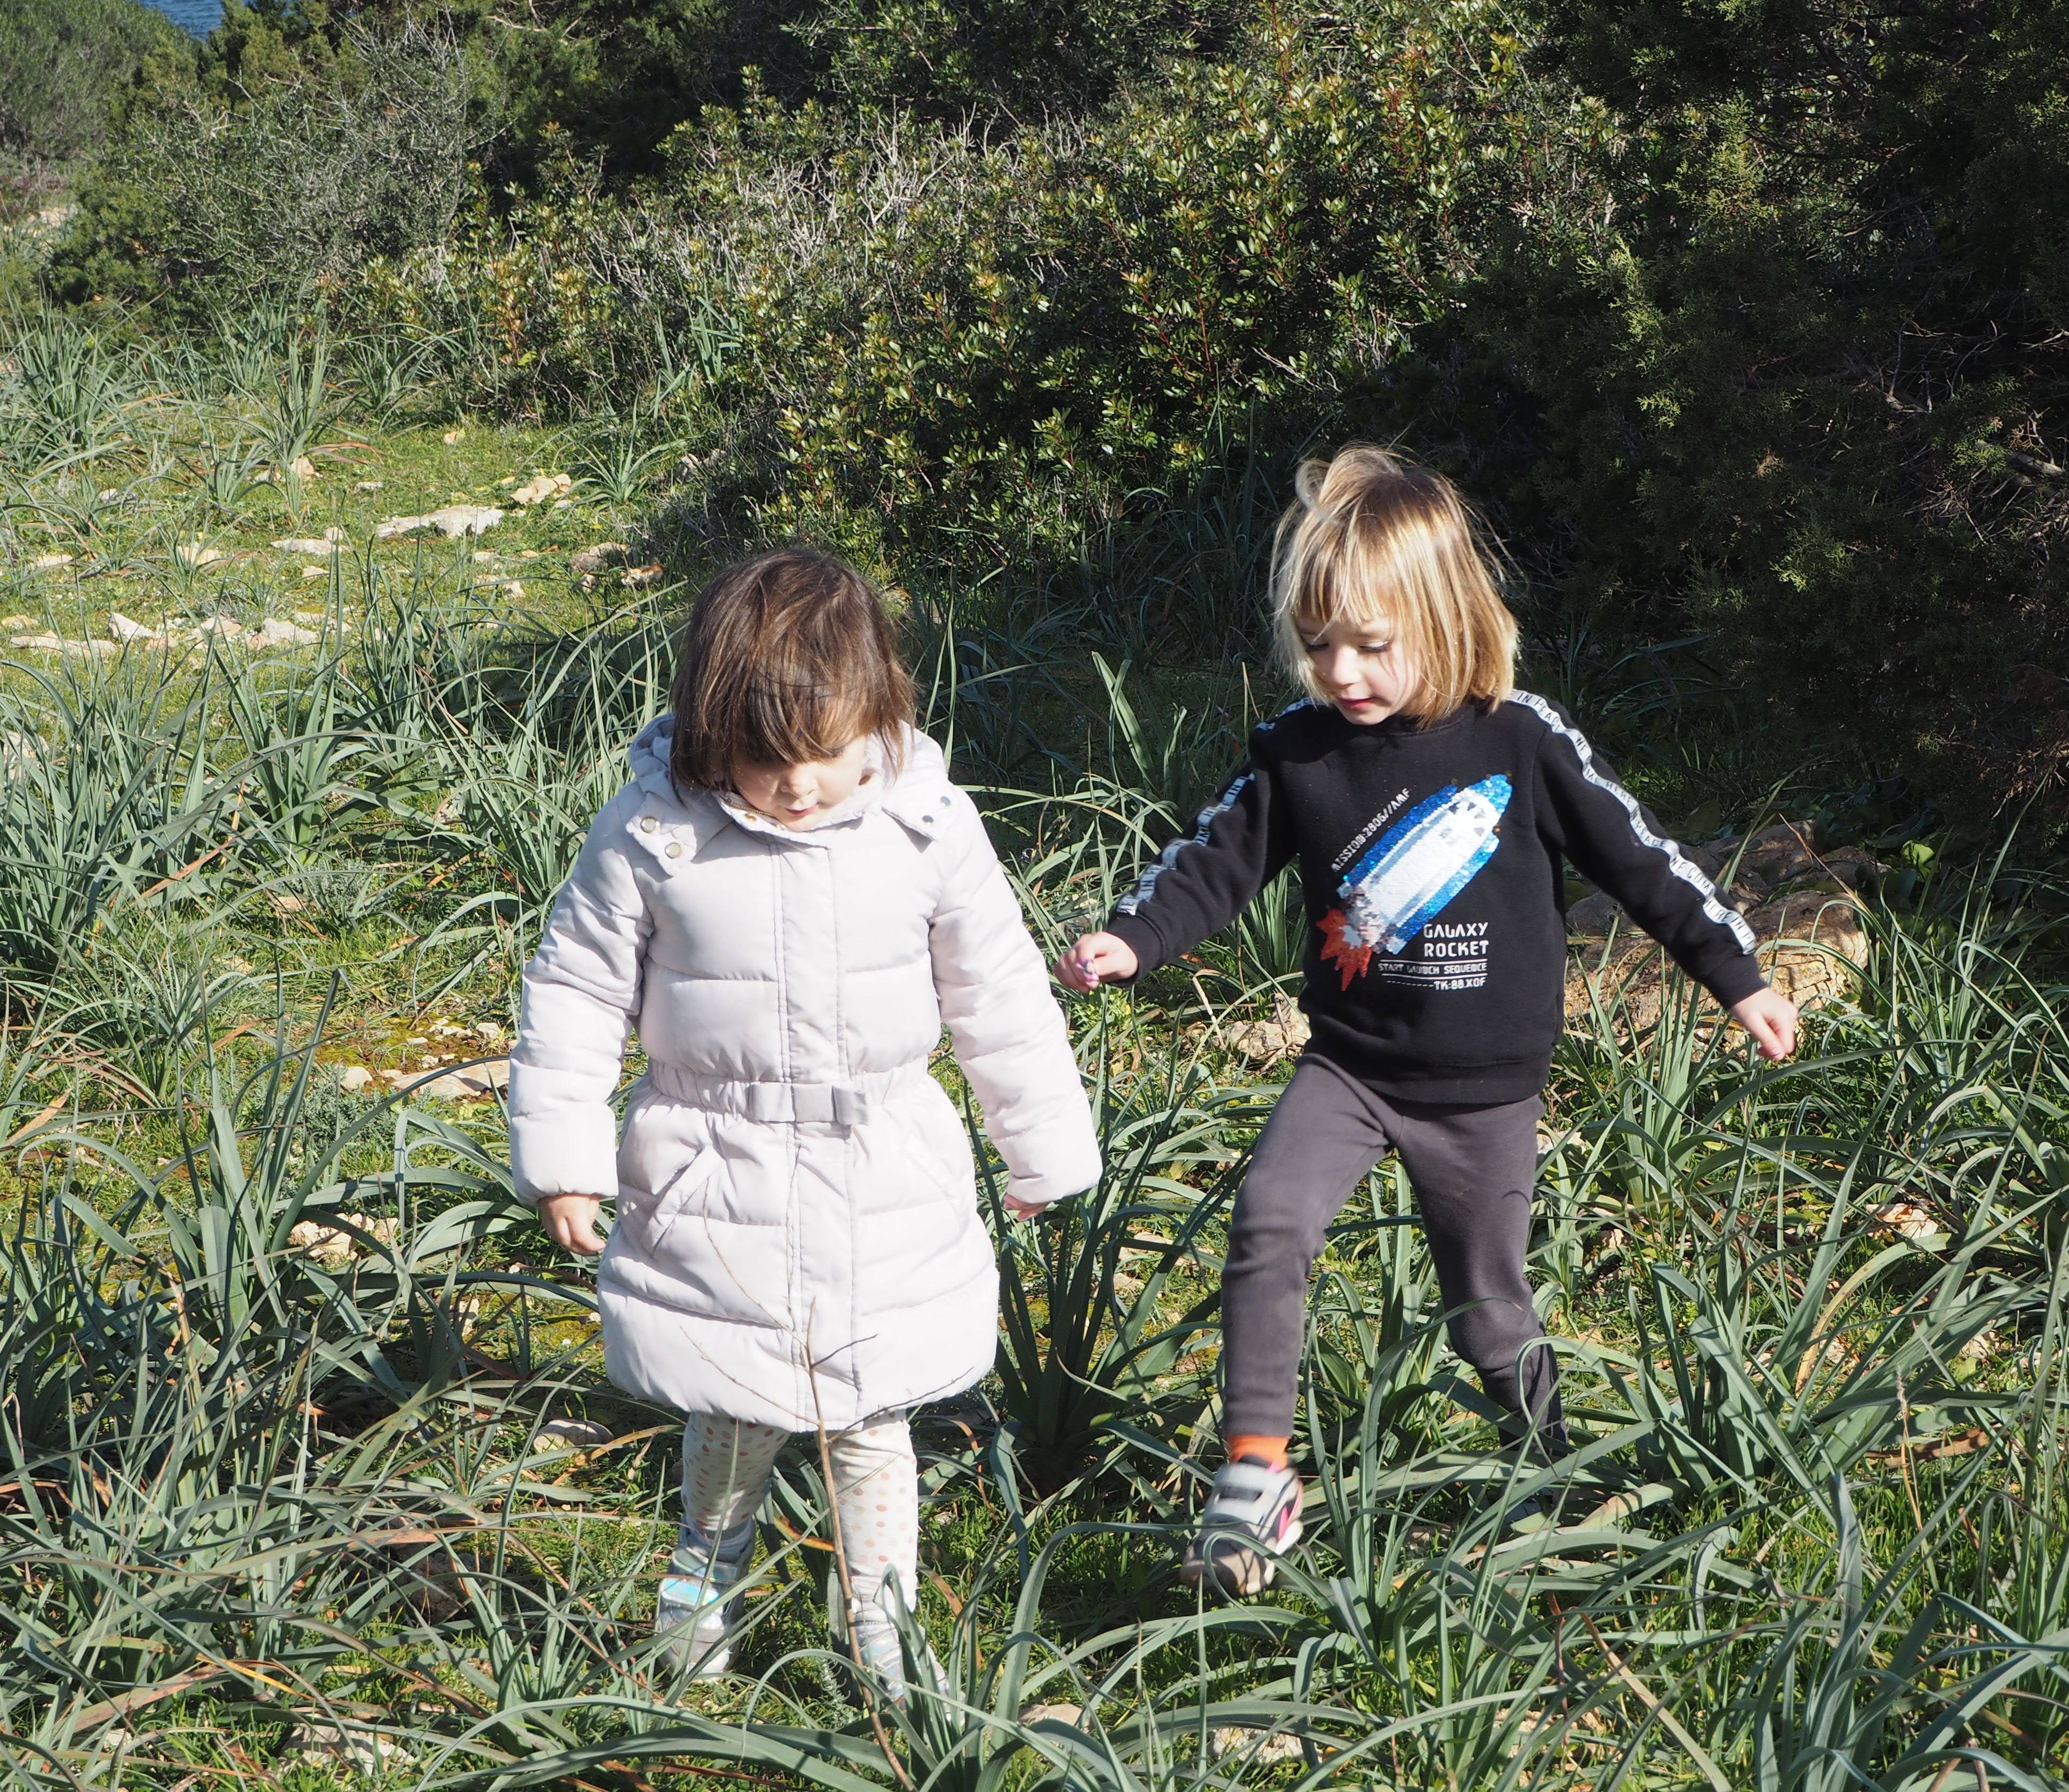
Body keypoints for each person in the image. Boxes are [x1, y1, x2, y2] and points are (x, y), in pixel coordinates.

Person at [1056, 447, 1800, 1595]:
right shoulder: (1300, 754)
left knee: (1489, 1314)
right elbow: (1214, 862)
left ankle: (1563, 1481)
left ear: (1445, 617)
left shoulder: (1521, 740)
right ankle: (1257, 1473)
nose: (1341, 672)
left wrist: (1735, 971)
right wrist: (1136, 936)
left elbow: (1644, 862)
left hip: (1486, 1094)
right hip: (1351, 1068)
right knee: (1268, 1221)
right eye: (1319, 645)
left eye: (1370, 644)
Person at [509, 550, 1100, 1693]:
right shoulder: (656, 831)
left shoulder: (926, 827)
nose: (795, 787)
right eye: (763, 758)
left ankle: (883, 1629)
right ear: (705, 725)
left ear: (876, 713)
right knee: (727, 1422)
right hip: (713, 1168)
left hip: (883, 1167)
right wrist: (564, 1162)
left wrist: (1041, 1147)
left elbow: (999, 991)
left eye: (822, 757)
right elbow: (575, 991)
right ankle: (698, 1598)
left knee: (873, 1422)